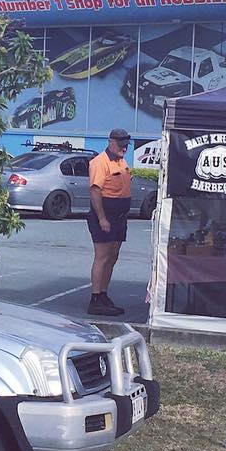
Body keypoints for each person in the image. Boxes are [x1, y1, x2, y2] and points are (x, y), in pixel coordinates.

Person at [86, 128, 132, 316]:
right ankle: (95, 298)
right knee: (102, 257)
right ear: (111, 142)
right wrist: (102, 218)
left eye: (126, 146)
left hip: (120, 217)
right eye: (121, 146)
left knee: (113, 257)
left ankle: (104, 294)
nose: (124, 149)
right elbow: (95, 191)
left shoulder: (121, 162)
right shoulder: (99, 163)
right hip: (105, 216)